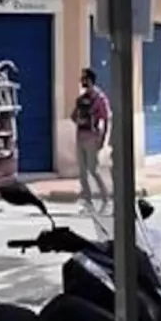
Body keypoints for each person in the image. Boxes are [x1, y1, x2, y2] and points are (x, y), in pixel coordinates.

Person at [71, 67, 111, 213]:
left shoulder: (100, 99)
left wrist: (103, 140)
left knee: (93, 170)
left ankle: (106, 199)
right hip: (80, 136)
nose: (81, 81)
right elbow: (73, 116)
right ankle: (88, 202)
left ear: (90, 80)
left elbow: (106, 119)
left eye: (84, 78)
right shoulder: (81, 99)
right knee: (82, 172)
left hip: (92, 138)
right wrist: (78, 120)